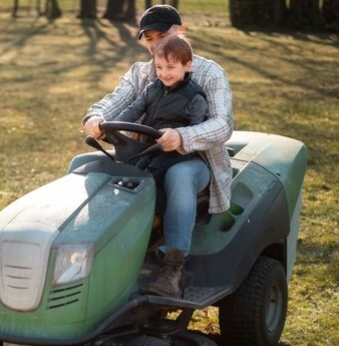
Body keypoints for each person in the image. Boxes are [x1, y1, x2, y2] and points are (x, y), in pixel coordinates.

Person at [82, 4, 233, 298]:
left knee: (178, 175)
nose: (155, 44)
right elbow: (116, 101)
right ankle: (83, 245)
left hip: (195, 161)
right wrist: (94, 118)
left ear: (180, 31)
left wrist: (182, 136)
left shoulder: (210, 73)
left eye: (161, 35)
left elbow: (223, 124)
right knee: (85, 163)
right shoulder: (142, 73)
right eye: (148, 38)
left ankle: (171, 270)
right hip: (146, 154)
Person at [111, 34, 207, 184]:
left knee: (145, 179)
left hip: (175, 153)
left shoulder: (195, 98)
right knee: (127, 170)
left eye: (170, 67)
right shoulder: (152, 88)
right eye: (159, 67)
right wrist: (113, 126)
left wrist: (180, 140)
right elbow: (134, 110)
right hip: (149, 148)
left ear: (187, 65)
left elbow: (196, 133)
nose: (164, 73)